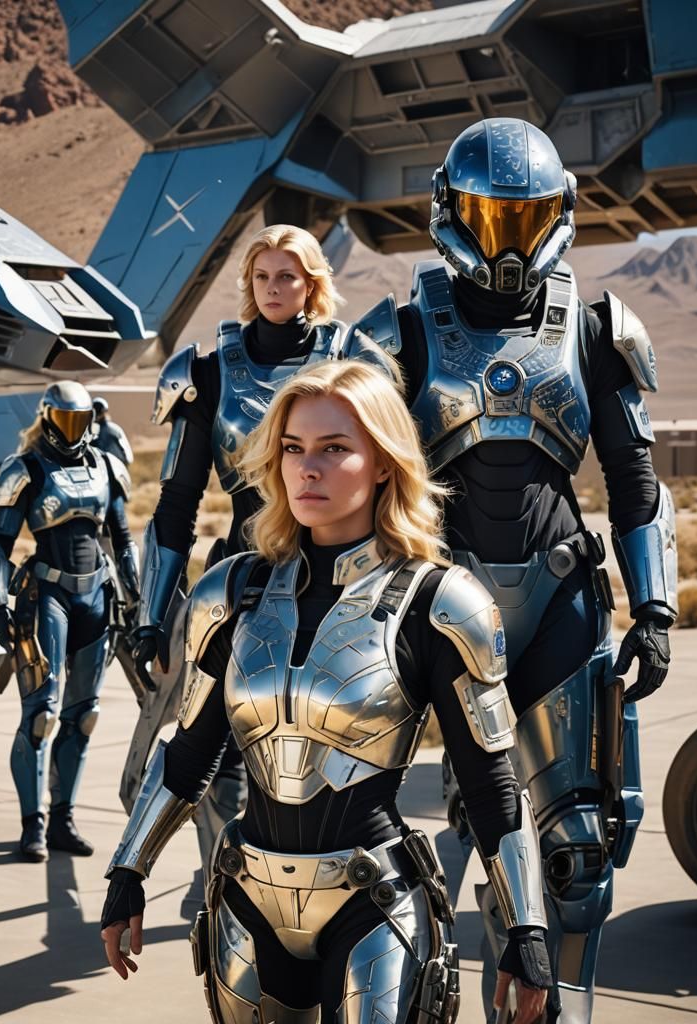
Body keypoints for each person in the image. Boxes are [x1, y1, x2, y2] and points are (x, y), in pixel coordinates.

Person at [101, 360, 552, 1024]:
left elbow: (490, 782)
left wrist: (527, 929)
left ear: (382, 462)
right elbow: (189, 755)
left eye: (334, 448)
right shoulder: (228, 593)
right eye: (293, 448)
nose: (307, 468)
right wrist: (128, 872)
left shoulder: (440, 602)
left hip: (371, 902)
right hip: (246, 899)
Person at [353, 117, 677, 1021]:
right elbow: (348, 475)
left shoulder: (599, 326)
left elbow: (636, 479)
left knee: (577, 856)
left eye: (525, 220)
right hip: (442, 611)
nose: (508, 243)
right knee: (466, 835)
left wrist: (654, 606)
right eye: (492, 220)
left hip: (562, 599)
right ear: (452, 214)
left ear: (559, 217)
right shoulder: (403, 330)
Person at [127, 224, 396, 894]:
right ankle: (225, 890)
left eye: (288, 276)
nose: (275, 289)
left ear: (312, 283)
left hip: (338, 586)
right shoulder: (209, 370)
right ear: (249, 286)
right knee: (210, 762)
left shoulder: (354, 363)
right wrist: (151, 613)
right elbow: (176, 504)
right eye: (263, 277)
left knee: (324, 752)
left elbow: (394, 468)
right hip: (240, 585)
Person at [0, 381, 140, 862]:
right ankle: (32, 825)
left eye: (81, 421)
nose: (74, 431)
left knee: (84, 717)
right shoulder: (26, 467)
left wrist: (138, 605)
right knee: (42, 716)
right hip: (46, 595)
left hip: (97, 594)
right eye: (65, 420)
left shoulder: (106, 466)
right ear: (48, 417)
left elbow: (122, 537)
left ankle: (63, 821)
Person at [91, 396, 134, 467]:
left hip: (116, 469)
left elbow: (128, 456)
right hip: (105, 469)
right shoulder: (115, 428)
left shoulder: (113, 429)